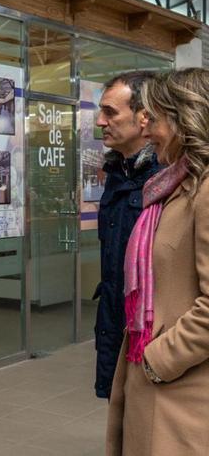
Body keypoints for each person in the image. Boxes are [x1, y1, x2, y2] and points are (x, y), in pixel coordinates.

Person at [106, 68, 209, 455]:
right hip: (161, 385)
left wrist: (158, 360)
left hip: (182, 396)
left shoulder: (205, 190)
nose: (146, 129)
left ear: (187, 119)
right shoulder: (174, 185)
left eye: (155, 117)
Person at [93, 71, 161, 399]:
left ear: (143, 118)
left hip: (153, 335)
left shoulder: (170, 180)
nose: (99, 121)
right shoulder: (116, 174)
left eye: (110, 112)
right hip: (116, 323)